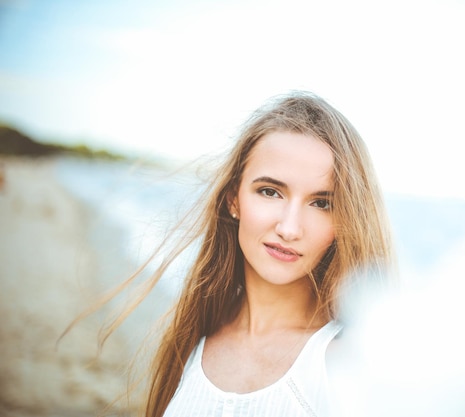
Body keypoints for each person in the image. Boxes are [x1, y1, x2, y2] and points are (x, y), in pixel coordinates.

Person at [105, 91, 396, 416]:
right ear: (233, 199)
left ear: (345, 220)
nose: (289, 228)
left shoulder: (348, 363)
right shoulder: (191, 340)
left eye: (321, 203)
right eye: (270, 192)